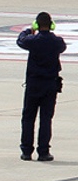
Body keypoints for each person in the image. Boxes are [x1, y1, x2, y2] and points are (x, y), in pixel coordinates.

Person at [18, 11, 66, 161]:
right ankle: (43, 151)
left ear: (37, 25)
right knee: (46, 119)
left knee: (28, 118)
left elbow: (20, 41)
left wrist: (28, 31)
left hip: (33, 84)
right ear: (51, 25)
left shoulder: (32, 41)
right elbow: (62, 47)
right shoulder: (57, 42)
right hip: (50, 84)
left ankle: (26, 151)